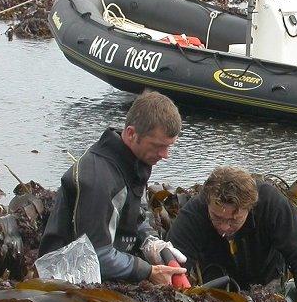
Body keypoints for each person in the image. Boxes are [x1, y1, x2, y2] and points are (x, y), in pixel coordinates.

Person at [40, 91, 187, 284]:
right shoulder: (98, 179)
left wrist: (152, 243)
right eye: (159, 146)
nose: (165, 155)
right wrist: (148, 271)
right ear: (131, 134)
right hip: (66, 277)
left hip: (110, 268)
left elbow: (134, 218)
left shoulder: (133, 162)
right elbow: (95, 256)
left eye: (170, 146)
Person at [167, 166, 297, 302]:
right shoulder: (193, 214)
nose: (224, 227)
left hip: (268, 287)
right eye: (216, 217)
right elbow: (173, 267)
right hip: (216, 291)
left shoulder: (272, 204)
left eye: (233, 220)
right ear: (207, 202)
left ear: (251, 207)